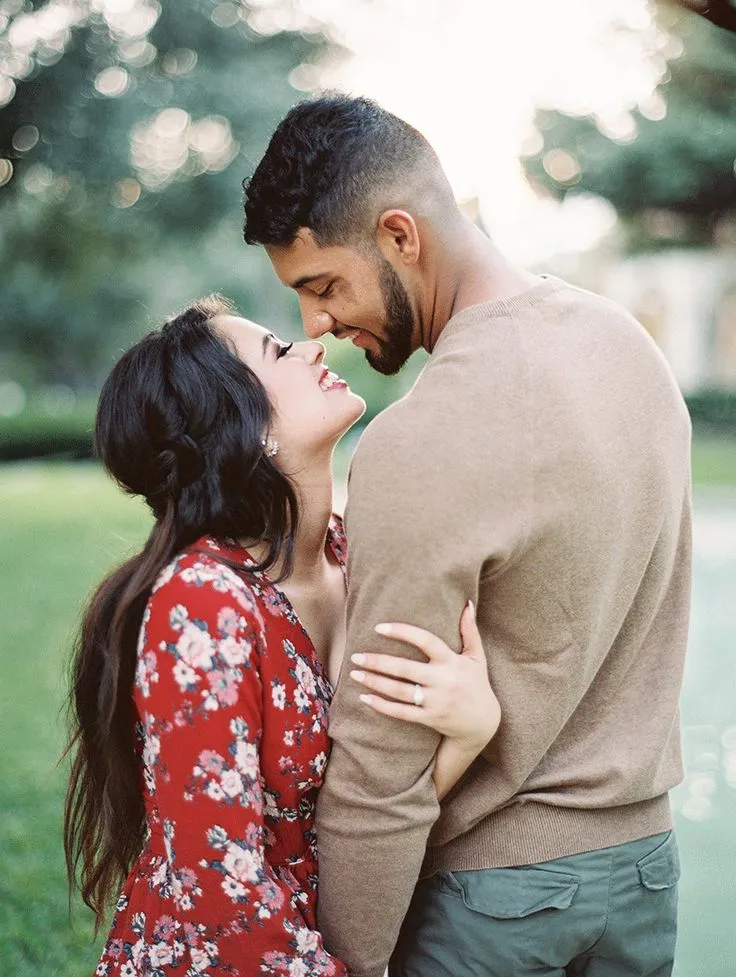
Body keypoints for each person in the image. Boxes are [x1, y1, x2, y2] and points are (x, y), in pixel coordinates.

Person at [242, 95, 692, 977]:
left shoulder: (422, 436)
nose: (316, 327)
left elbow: (381, 756)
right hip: (644, 878)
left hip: (493, 906)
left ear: (400, 235)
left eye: (323, 285)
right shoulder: (629, 349)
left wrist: (351, 959)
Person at [63, 296, 501, 977]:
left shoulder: (358, 556)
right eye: (277, 351)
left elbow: (370, 798)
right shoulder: (202, 604)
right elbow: (220, 892)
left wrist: (470, 732)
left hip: (347, 938)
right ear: (240, 422)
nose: (313, 346)